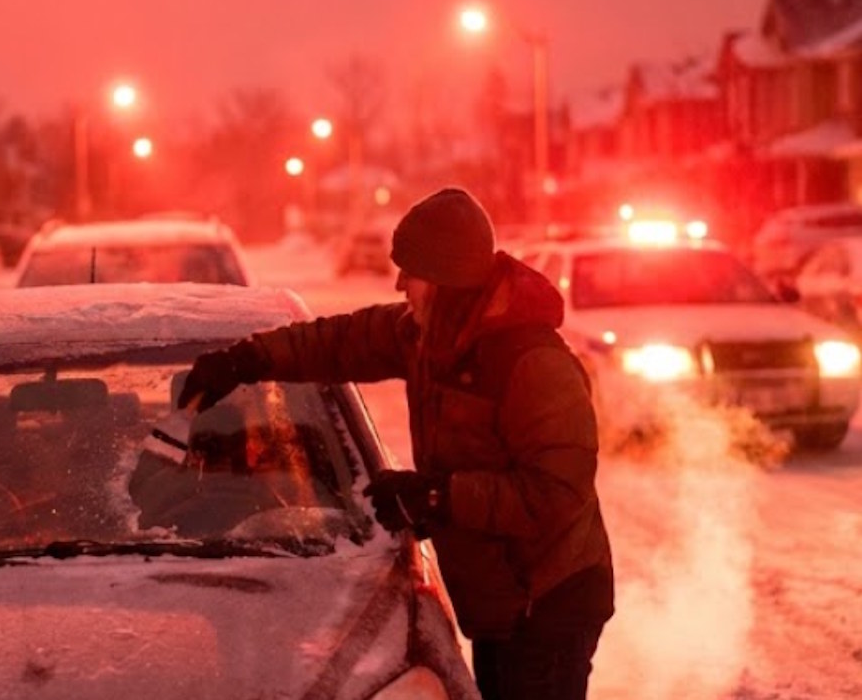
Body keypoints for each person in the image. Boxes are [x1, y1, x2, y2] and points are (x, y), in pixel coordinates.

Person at [177, 187, 614, 700]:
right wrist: (246, 360)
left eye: (413, 271)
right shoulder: (424, 336)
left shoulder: (533, 363)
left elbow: (557, 493)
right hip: (503, 599)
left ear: (448, 279)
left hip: (549, 600)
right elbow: (338, 342)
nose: (401, 282)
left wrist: (438, 497)